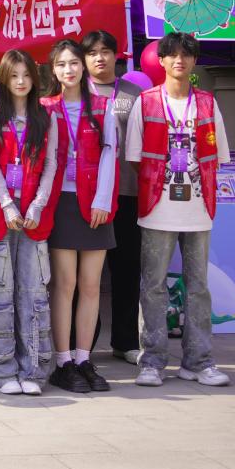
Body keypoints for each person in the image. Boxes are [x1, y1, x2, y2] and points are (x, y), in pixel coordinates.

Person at [127, 32, 232, 387]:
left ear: (194, 61)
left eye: (186, 55)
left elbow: (218, 157)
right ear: (161, 60)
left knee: (198, 287)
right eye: (172, 55)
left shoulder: (207, 103)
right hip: (157, 208)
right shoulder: (146, 102)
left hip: (198, 208)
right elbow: (135, 159)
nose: (179, 60)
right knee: (153, 285)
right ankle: (152, 362)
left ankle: (199, 362)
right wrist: (159, 183)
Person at [0, 50, 60, 395]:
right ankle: (1, 372)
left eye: (27, 75)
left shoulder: (47, 118)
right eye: (14, 75)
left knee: (34, 293)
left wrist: (38, 205)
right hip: (2, 218)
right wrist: (7, 204)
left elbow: (51, 164)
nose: (21, 82)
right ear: (3, 79)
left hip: (34, 220)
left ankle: (34, 371)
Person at [42, 39, 119, 394]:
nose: (69, 70)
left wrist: (102, 200)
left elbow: (110, 153)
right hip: (60, 202)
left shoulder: (103, 106)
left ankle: (84, 358)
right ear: (53, 70)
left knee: (91, 285)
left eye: (74, 63)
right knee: (65, 284)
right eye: (61, 64)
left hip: (95, 204)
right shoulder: (45, 107)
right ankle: (63, 362)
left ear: (83, 66)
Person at [81, 30, 145, 365]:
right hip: (86, 196)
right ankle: (83, 343)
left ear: (116, 55)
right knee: (86, 274)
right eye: (92, 53)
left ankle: (125, 340)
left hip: (128, 192)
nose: (99, 58)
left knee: (127, 268)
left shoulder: (135, 93)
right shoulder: (74, 90)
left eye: (105, 51)